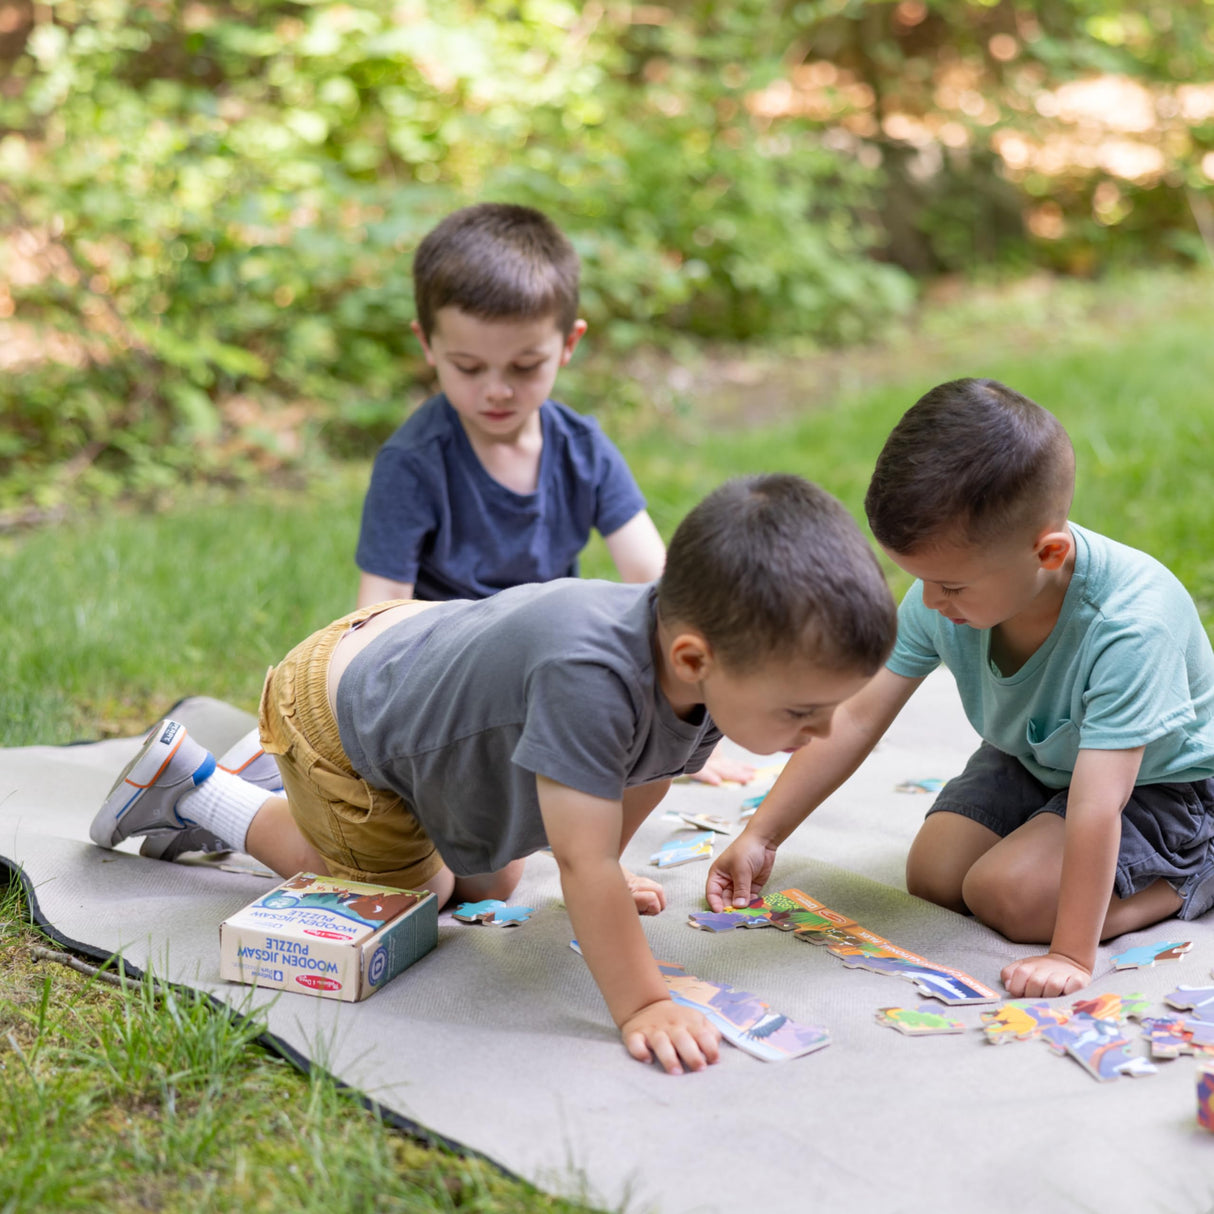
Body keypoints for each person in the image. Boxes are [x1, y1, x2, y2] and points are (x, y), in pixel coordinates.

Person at [90, 474, 897, 1075]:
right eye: (802, 712)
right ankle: (202, 787)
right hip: (341, 718)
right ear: (694, 658)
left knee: (495, 883)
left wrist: (606, 872)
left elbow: (639, 778)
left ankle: (272, 784)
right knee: (418, 896)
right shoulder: (595, 674)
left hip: (411, 677)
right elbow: (579, 863)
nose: (822, 730)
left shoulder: (705, 658)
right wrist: (644, 998)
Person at [707, 378, 1214, 1002]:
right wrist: (762, 834)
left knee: (1010, 897)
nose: (930, 600)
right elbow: (859, 715)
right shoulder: (944, 591)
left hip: (1159, 785)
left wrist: (1070, 953)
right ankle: (1047, 859)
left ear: (1048, 552)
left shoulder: (1131, 623)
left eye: (949, 586)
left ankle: (1194, 873)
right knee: (937, 876)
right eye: (916, 579)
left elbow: (1096, 806)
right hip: (1035, 758)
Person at [354, 200, 750, 786]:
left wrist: (685, 723)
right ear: (427, 346)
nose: (496, 390)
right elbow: (377, 615)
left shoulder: (581, 449)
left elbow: (654, 579)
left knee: (619, 636)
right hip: (448, 683)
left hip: (548, 665)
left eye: (524, 366)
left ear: (568, 345)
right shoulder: (413, 463)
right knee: (491, 869)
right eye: (468, 367)